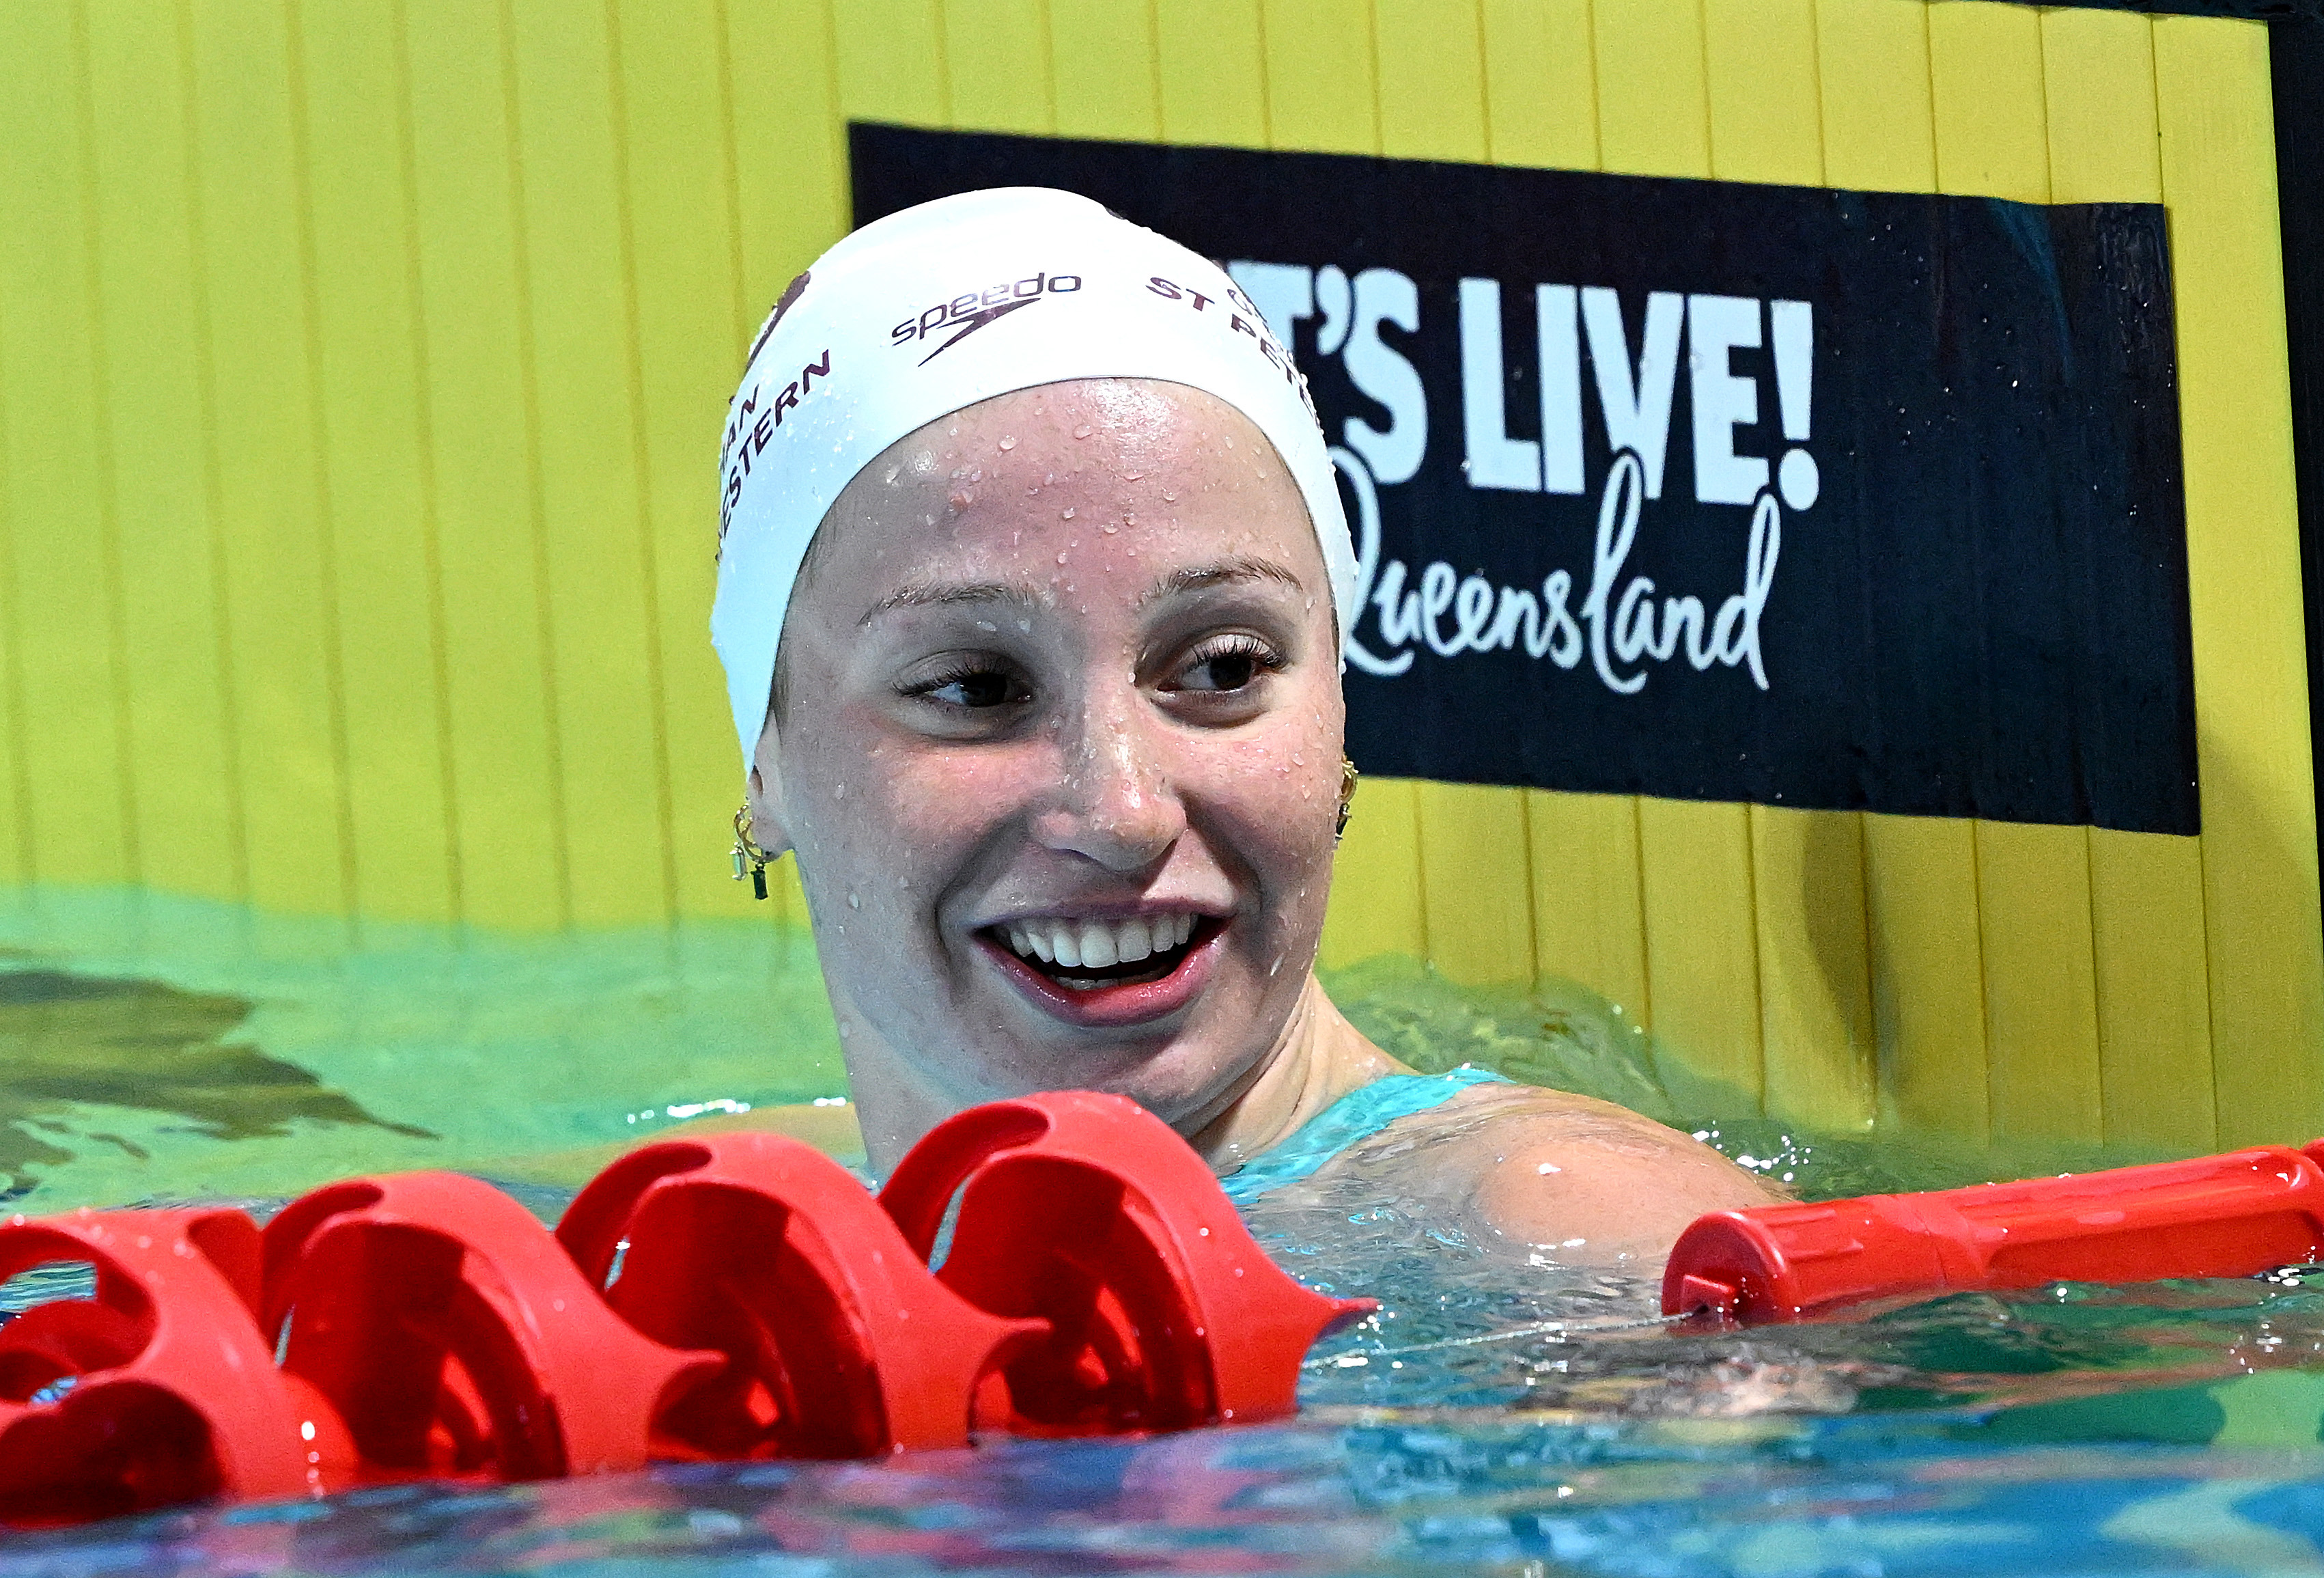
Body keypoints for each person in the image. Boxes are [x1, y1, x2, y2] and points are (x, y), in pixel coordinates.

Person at [710, 189, 1772, 1266]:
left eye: (1222, 667)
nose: (1120, 811)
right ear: (767, 758)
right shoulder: (723, 1233)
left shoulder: (1585, 1242)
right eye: (977, 688)